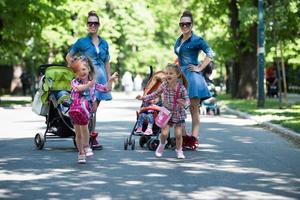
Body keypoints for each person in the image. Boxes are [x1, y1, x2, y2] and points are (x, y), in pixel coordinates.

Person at [66, 10, 112, 150]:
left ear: (98, 25)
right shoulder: (81, 42)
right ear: (87, 25)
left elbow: (107, 63)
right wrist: (76, 67)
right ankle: (83, 138)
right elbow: (69, 57)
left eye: (95, 23)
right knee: (87, 108)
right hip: (87, 80)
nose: (92, 25)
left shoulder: (104, 43)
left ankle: (91, 137)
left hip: (101, 78)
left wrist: (110, 81)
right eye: (90, 23)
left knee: (93, 109)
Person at [174, 10, 214, 147]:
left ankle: (193, 139)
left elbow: (210, 53)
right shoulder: (178, 40)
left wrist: (200, 67)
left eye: (187, 23)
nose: (184, 26)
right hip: (180, 76)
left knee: (193, 109)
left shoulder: (197, 40)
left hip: (193, 77)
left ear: (192, 25)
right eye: (182, 24)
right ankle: (183, 138)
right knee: (179, 108)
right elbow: (179, 58)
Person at [69, 56, 118, 164]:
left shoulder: (93, 83)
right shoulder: (74, 82)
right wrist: (88, 85)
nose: (81, 72)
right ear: (75, 73)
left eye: (83, 69)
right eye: (78, 71)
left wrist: (110, 80)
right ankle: (81, 152)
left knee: (85, 128)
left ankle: (86, 146)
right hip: (75, 109)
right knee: (78, 133)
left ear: (89, 69)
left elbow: (106, 89)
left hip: (86, 110)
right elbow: (78, 88)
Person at [136, 63, 190, 159]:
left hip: (178, 113)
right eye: (167, 73)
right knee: (164, 133)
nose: (168, 75)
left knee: (178, 135)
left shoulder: (181, 88)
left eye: (171, 73)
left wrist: (184, 103)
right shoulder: (164, 85)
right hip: (166, 112)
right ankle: (161, 145)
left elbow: (187, 100)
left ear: (177, 75)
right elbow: (155, 94)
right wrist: (143, 98)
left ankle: (179, 150)